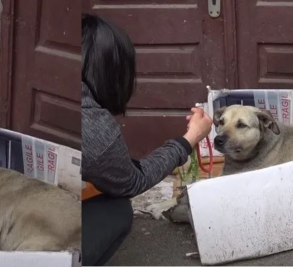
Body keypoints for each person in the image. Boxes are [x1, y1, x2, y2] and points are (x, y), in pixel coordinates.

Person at [81, 13, 213, 266]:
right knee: (117, 210)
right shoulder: (94, 127)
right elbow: (132, 181)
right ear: (111, 70)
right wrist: (190, 138)